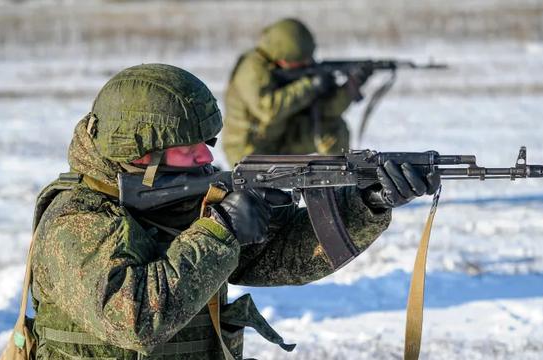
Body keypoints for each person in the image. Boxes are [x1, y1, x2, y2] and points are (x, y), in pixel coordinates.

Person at [29, 64, 439, 359]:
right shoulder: (75, 220)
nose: (208, 154)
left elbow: (283, 259)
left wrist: (367, 202)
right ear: (140, 154)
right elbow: (134, 320)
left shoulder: (181, 199)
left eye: (207, 141)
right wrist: (219, 231)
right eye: (189, 146)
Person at [222, 18, 371, 165]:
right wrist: (309, 85)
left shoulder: (291, 69)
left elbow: (326, 110)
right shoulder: (252, 69)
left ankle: (340, 182)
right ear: (283, 56)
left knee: (333, 128)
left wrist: (349, 88)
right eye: (300, 61)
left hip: (282, 139)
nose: (306, 64)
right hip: (250, 150)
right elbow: (268, 110)